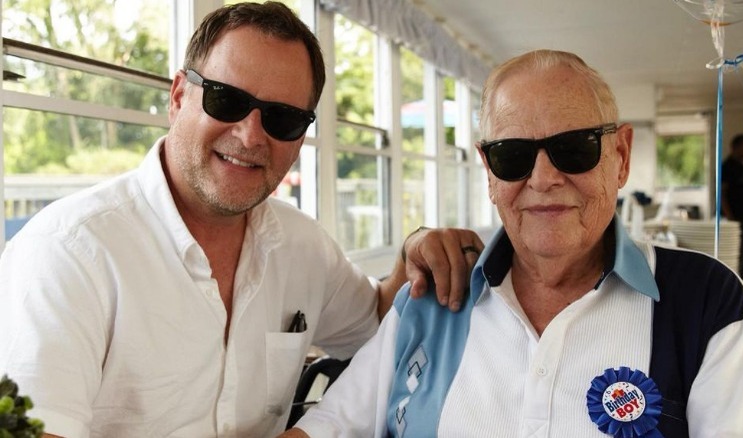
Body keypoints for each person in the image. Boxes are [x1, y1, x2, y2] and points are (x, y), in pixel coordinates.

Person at [0, 3, 483, 437]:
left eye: (283, 118)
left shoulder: (300, 245)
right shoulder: (69, 252)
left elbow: (377, 319)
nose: (251, 136)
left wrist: (414, 250)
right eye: (226, 100)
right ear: (177, 97)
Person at [281, 50, 743, 437]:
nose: (543, 178)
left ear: (621, 156)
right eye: (513, 155)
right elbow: (328, 426)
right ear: (489, 173)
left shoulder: (706, 303)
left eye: (573, 149)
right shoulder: (432, 299)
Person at [721, 133, 743, 279]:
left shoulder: (742, 167)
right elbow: (722, 194)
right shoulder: (728, 167)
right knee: (735, 256)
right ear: (735, 148)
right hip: (735, 221)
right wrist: (730, 217)